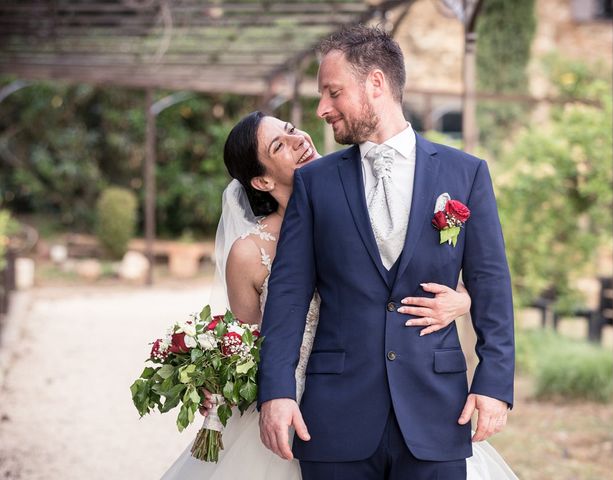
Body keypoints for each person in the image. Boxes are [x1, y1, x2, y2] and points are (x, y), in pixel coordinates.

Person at [159, 112, 512, 479]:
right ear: (261, 180)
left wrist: (465, 299)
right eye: (279, 145)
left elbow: (414, 271)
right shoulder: (250, 252)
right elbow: (247, 337)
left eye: (292, 130)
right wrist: (218, 378)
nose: (298, 141)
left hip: (410, 396)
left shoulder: (372, 186)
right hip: (309, 401)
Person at [257, 25, 516, 480]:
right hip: (335, 418)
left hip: (437, 411)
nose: (322, 108)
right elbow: (289, 291)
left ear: (375, 83)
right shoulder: (315, 184)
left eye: (333, 92)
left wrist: (494, 383)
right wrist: (276, 390)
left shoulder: (466, 173)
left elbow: (490, 284)